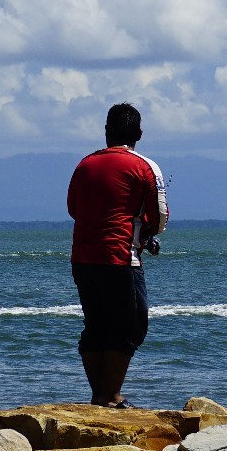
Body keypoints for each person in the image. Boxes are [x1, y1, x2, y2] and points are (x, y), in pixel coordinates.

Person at [66, 102, 167, 408]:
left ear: (107, 131)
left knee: (96, 324)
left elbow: (73, 208)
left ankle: (99, 394)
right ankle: (111, 395)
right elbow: (160, 216)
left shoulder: (84, 164)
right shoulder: (144, 166)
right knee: (131, 325)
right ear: (139, 133)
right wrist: (145, 232)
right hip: (121, 257)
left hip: (83, 258)